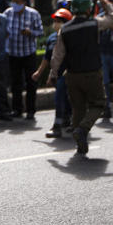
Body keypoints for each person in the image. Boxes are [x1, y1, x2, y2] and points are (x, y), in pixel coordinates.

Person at [49, 0, 113, 154]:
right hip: (92, 72)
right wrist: (105, 2)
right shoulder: (94, 23)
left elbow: (57, 54)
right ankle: (82, 130)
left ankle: (81, 143)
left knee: (78, 109)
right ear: (88, 9)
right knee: (99, 104)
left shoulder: (64, 29)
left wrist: (53, 73)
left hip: (72, 75)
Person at [2, 0, 43, 121]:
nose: (14, 4)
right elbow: (1, 29)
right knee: (15, 83)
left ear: (24, 2)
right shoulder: (7, 13)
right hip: (13, 53)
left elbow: (40, 32)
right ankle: (17, 109)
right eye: (13, 1)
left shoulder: (33, 14)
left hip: (28, 53)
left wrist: (30, 32)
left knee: (31, 82)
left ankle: (31, 110)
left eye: (17, 2)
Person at [32, 8, 72, 138]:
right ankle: (62, 122)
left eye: (59, 21)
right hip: (58, 74)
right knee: (61, 98)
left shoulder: (72, 36)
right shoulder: (52, 38)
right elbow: (48, 58)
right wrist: (40, 72)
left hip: (71, 73)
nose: (56, 24)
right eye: (55, 21)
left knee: (65, 99)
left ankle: (63, 124)